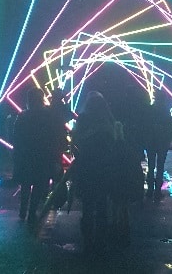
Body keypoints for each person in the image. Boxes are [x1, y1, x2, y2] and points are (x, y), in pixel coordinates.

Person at [71, 91, 116, 253]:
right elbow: (114, 143)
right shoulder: (107, 121)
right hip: (104, 167)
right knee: (102, 203)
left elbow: (76, 141)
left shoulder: (83, 119)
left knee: (88, 204)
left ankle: (88, 238)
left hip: (87, 166)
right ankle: (101, 239)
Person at [12, 87, 59, 222]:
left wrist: (16, 153)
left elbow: (16, 136)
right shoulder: (47, 116)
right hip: (42, 156)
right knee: (39, 184)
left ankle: (23, 211)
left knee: (26, 184)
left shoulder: (23, 116)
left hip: (26, 155)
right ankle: (32, 212)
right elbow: (52, 136)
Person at [143, 89, 172, 200]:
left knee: (151, 165)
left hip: (151, 141)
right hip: (161, 142)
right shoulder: (165, 111)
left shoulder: (150, 110)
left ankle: (150, 190)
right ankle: (157, 191)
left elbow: (146, 125)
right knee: (160, 166)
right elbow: (169, 128)